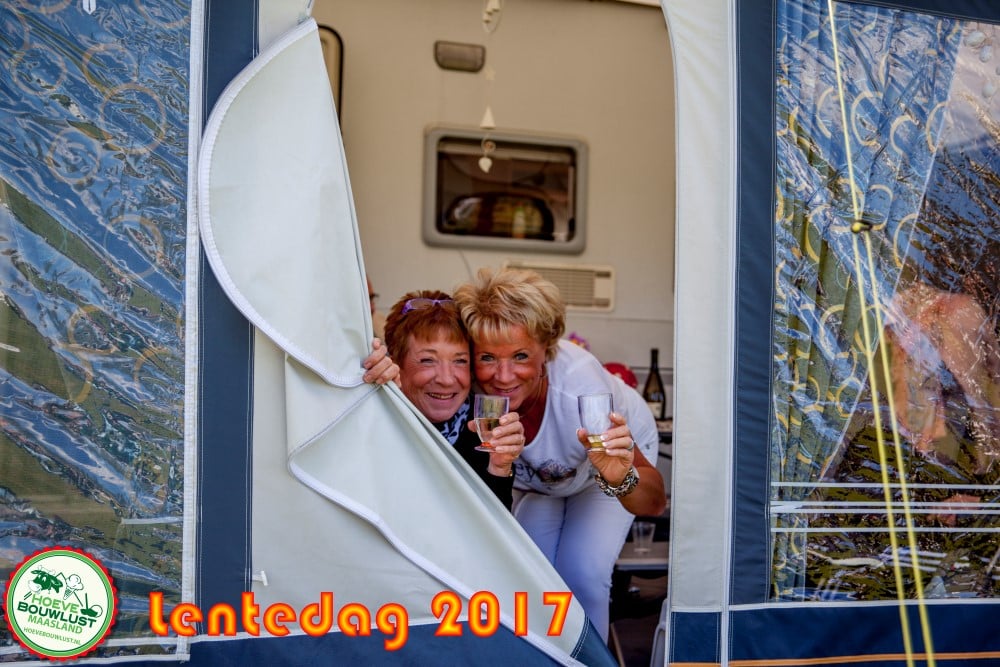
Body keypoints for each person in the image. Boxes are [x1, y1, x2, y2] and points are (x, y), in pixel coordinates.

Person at [452, 267, 668, 640]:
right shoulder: (463, 388)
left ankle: (590, 660)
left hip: (600, 474)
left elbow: (654, 501)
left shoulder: (582, 395)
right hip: (545, 480)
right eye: (487, 357)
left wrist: (619, 476)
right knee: (529, 574)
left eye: (521, 355)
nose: (503, 376)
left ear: (547, 351)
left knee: (582, 572)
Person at [382, 289, 525, 509]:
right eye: (428, 360)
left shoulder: (482, 427)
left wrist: (499, 468)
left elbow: (493, 524)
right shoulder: (379, 419)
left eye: (460, 361)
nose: (446, 379)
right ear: (395, 363)